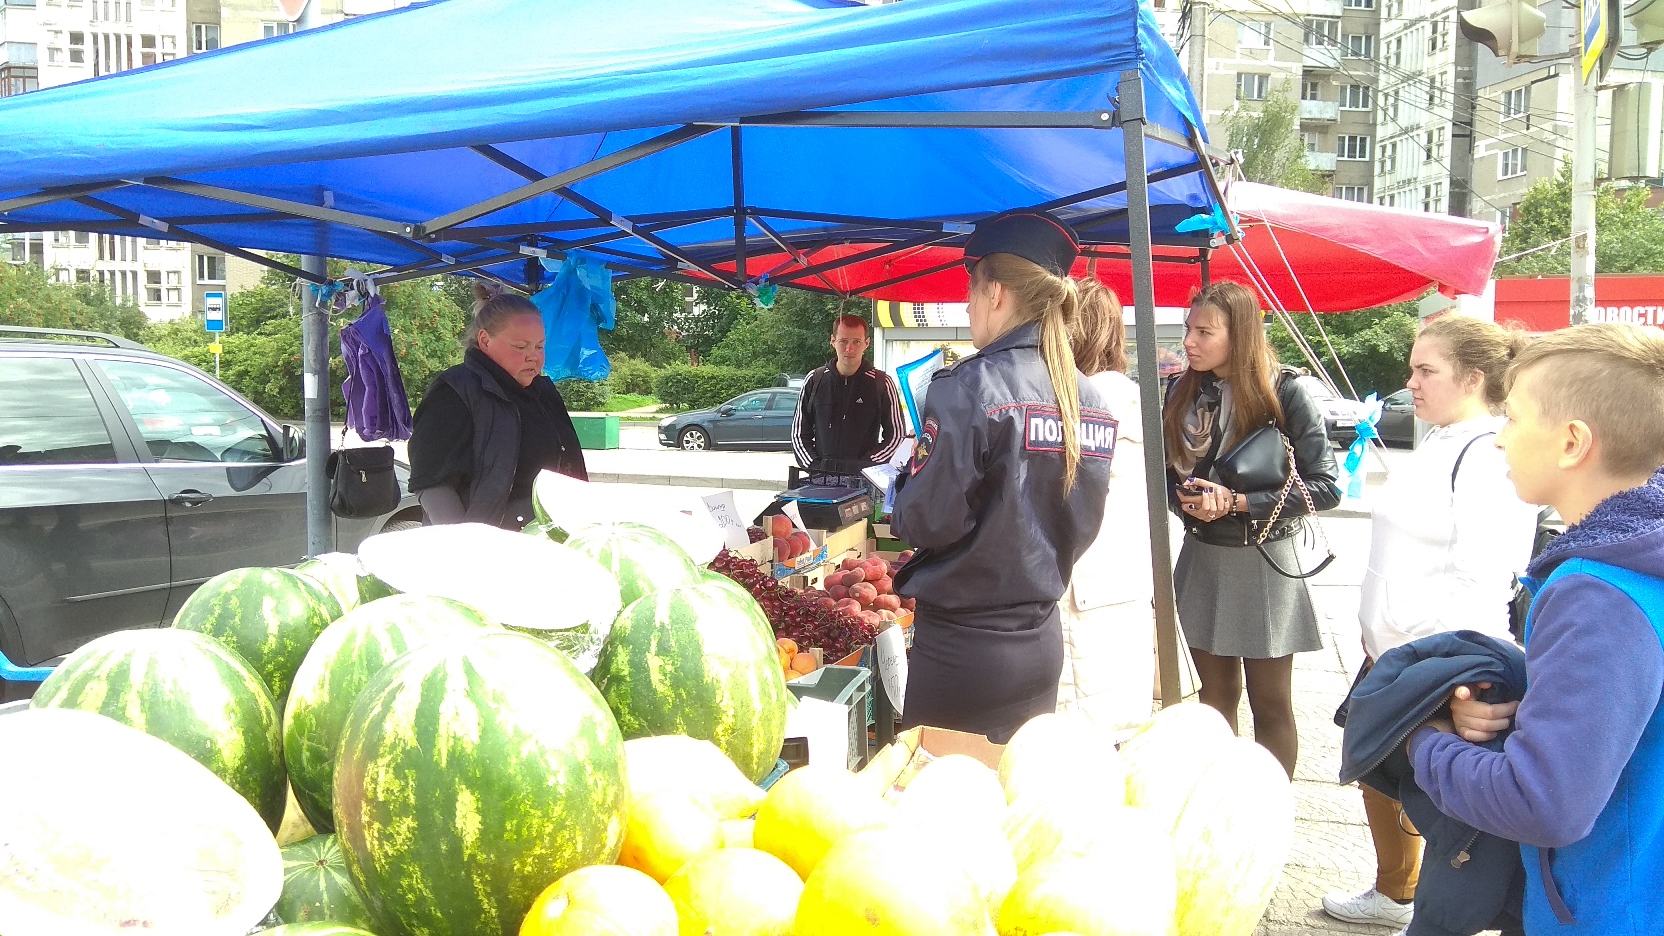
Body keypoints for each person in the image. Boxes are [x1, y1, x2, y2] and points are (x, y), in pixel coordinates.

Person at [1407, 324, 1664, 936]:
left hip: (1605, 913)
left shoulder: (1596, 593)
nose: (1500, 437)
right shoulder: (1639, 555)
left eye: (1515, 418)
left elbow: (1542, 802)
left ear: (1572, 442)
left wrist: (1423, 740)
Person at [1322, 314, 1540, 930]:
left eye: (1426, 371)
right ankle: (1395, 891)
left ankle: (1426, 909)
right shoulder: (1442, 440)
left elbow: (1484, 581)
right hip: (1399, 658)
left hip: (1437, 668)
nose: (1410, 383)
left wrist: (1455, 686)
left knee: (1451, 826)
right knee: (1381, 773)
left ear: (1473, 378)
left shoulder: (1486, 454)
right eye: (1412, 369)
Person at [891, 210, 1113, 744]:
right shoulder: (1088, 398)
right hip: (1039, 639)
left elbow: (927, 520)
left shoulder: (969, 387)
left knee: (940, 787)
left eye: (970, 289)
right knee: (1013, 789)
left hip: (963, 651)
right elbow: (1082, 523)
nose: (966, 305)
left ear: (994, 292)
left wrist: (903, 486)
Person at [1163, 281, 1339, 778]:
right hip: (1202, 555)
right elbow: (1163, 477)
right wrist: (1188, 504)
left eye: (1204, 332)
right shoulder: (1181, 390)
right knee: (1213, 701)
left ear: (1239, 334)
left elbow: (1326, 487)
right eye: (1188, 329)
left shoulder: (1284, 390)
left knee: (1271, 703)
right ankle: (1218, 803)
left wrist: (1238, 503)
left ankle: (1270, 805)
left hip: (1264, 560)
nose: (1189, 341)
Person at [1055, 279, 1156, 735]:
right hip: (1121, 586)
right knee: (1115, 728)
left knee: (1080, 733)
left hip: (1084, 591)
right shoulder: (1132, 398)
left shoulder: (1087, 401)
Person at [407, 283, 587, 529]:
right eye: (520, 347)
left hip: (552, 534)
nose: (533, 356)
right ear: (485, 340)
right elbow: (431, 482)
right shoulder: (454, 391)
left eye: (539, 346)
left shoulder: (544, 392)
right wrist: (465, 542)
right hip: (488, 542)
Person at [791, 314, 905, 475]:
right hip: (820, 481)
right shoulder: (815, 380)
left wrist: (866, 466)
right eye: (843, 341)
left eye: (856, 342)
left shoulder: (882, 383)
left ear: (866, 343)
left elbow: (896, 436)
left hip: (863, 481)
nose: (849, 349)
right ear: (833, 341)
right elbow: (799, 434)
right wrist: (815, 467)